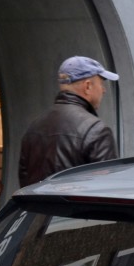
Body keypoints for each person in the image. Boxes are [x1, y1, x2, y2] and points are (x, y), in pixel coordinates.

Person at [18, 56, 119, 187]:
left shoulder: (34, 127)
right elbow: (107, 189)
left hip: (35, 208)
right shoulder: (96, 130)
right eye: (101, 83)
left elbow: (25, 184)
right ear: (88, 86)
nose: (104, 90)